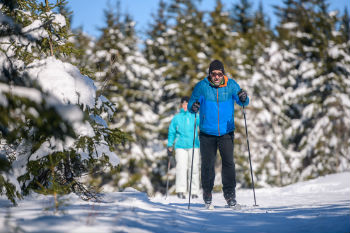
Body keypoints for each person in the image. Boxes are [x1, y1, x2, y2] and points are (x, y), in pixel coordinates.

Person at [188, 60, 249, 207]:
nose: (216, 77)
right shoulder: (202, 86)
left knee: (228, 163)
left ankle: (230, 195)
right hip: (207, 132)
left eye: (219, 74)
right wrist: (194, 106)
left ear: (223, 74)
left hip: (226, 132)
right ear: (209, 74)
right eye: (213, 74)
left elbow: (243, 102)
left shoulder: (231, 85)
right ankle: (207, 192)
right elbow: (191, 105)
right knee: (208, 164)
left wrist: (243, 97)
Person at [167, 96, 200, 199]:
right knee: (181, 168)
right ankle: (181, 191)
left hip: (194, 145)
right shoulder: (177, 117)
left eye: (187, 103)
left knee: (194, 168)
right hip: (180, 145)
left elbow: (203, 125)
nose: (185, 105)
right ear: (181, 105)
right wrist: (170, 145)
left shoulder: (195, 115)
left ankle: (194, 191)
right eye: (184, 103)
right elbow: (172, 131)